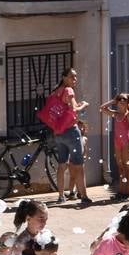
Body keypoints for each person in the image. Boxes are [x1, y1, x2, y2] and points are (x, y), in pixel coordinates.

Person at [45, 68, 90, 206]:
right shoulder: (69, 90)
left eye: (75, 77)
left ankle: (60, 196)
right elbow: (74, 109)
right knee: (78, 165)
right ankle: (84, 196)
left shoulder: (56, 91)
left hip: (58, 132)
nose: (74, 80)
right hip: (71, 131)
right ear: (64, 77)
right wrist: (84, 105)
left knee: (62, 164)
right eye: (72, 77)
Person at [101, 92, 129, 199]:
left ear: (128, 103)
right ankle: (122, 192)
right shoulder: (115, 114)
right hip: (117, 144)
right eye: (120, 99)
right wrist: (114, 100)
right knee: (121, 169)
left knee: (128, 168)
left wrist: (127, 96)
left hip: (126, 144)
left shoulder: (128, 115)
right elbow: (102, 108)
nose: (122, 101)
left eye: (124, 100)